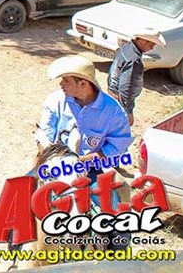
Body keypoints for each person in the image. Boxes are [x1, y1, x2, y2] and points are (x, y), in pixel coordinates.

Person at [34, 56, 132, 247]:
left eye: (66, 80)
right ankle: (14, 250)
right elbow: (45, 131)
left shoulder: (113, 111)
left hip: (92, 170)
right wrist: (50, 153)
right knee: (17, 195)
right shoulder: (55, 101)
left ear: (83, 83)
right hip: (55, 165)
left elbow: (119, 146)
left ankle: (117, 255)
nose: (61, 84)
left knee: (114, 218)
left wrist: (86, 160)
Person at [108, 29, 165, 125]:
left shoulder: (125, 48)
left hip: (112, 94)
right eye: (151, 44)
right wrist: (128, 110)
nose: (151, 48)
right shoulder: (134, 60)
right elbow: (127, 86)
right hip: (120, 101)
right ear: (143, 41)